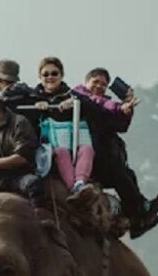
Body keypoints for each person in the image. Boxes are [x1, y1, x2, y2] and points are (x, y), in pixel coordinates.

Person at [74, 67, 158, 238]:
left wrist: (127, 110)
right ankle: (142, 209)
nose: (100, 86)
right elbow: (99, 104)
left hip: (105, 156)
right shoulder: (79, 97)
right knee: (119, 174)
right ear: (86, 82)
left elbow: (120, 126)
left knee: (127, 175)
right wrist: (118, 107)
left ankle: (137, 219)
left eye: (104, 84)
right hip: (87, 158)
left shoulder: (104, 106)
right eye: (96, 82)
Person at [32, 57, 96, 194]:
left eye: (54, 73)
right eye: (46, 74)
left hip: (74, 145)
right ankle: (73, 188)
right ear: (39, 77)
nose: (50, 77)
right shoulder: (33, 96)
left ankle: (80, 182)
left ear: (62, 75)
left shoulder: (71, 94)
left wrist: (73, 102)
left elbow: (92, 106)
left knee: (87, 150)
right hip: (49, 150)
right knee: (61, 153)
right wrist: (36, 109)